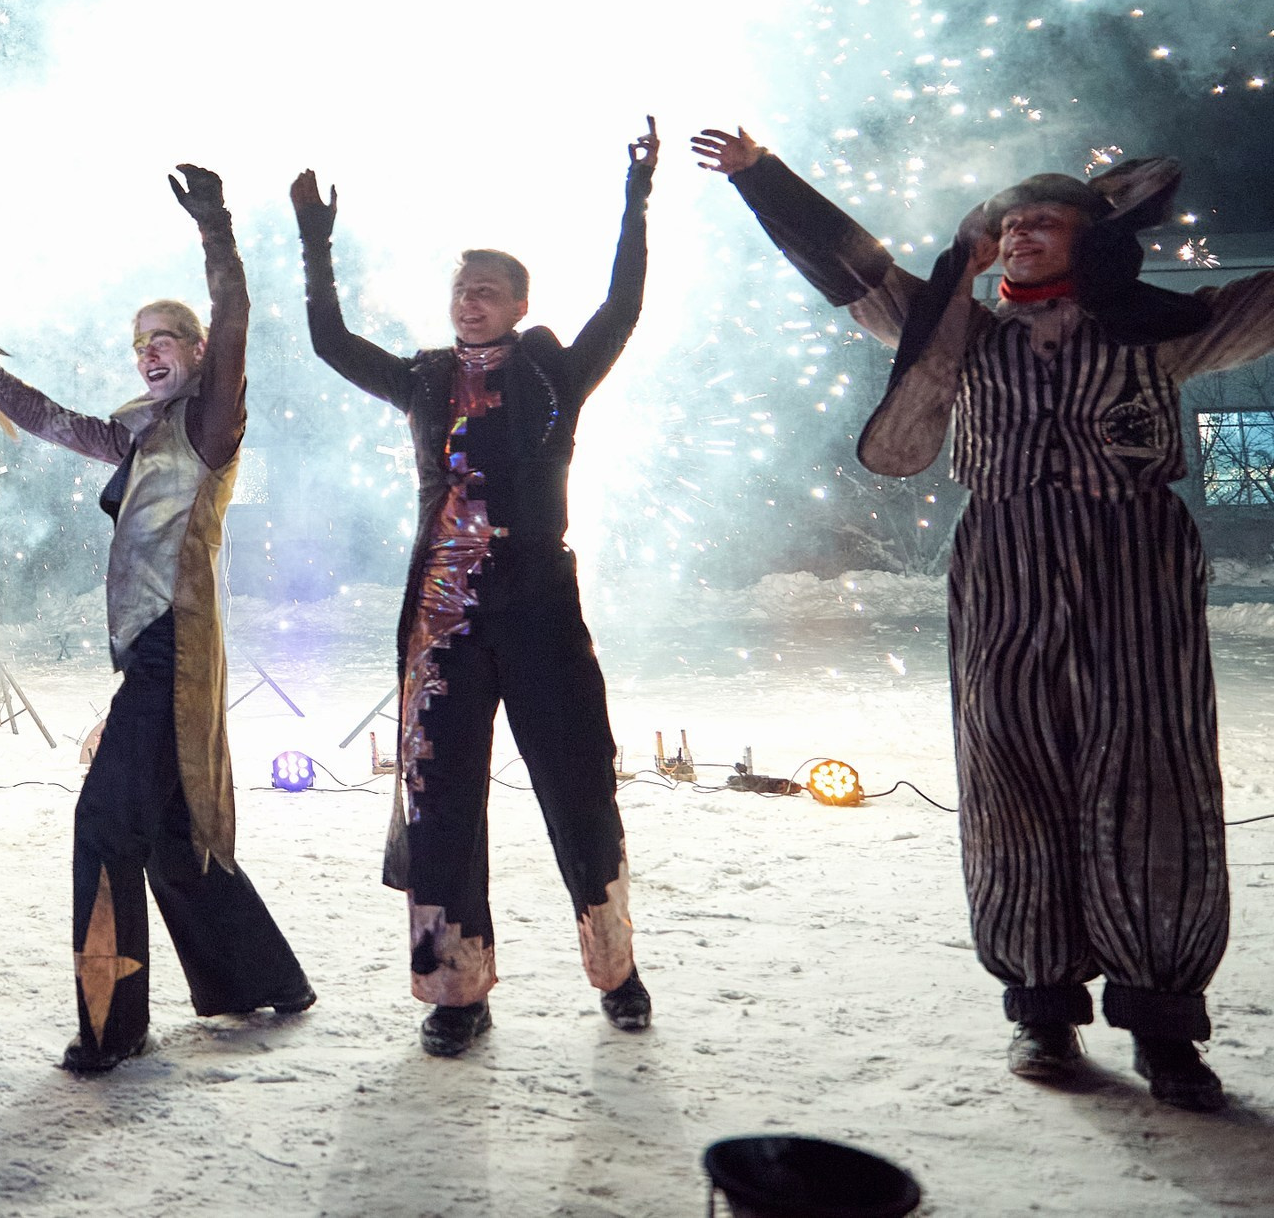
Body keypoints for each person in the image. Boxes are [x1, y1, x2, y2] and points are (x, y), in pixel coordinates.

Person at [695, 126, 1274, 1112]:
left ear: (1091, 240)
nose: (1016, 238)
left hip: (1132, 567)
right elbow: (855, 270)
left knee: (1153, 781)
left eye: (1041, 223)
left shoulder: (1157, 329)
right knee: (1010, 779)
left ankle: (1165, 1025)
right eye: (1004, 227)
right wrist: (765, 178)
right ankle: (1039, 1010)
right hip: (1002, 568)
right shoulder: (957, 334)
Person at [0, 166, 314, 1075]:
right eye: (141, 342)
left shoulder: (212, 422)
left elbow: (239, 323)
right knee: (172, 835)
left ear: (201, 352)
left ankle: (112, 1025)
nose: (150, 351)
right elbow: (41, 414)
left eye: (167, 337)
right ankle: (268, 979)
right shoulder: (139, 431)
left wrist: (217, 228)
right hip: (149, 653)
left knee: (103, 824)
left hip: (175, 653)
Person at [291, 125, 659, 1059]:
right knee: (438, 798)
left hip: (538, 605)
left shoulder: (553, 373)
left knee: (578, 785)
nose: (470, 301)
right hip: (442, 621)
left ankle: (616, 968)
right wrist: (316, 245)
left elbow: (623, 302)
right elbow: (331, 340)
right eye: (461, 289)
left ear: (520, 303)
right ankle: (454, 989)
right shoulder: (423, 379)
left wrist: (635, 196)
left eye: (487, 289)